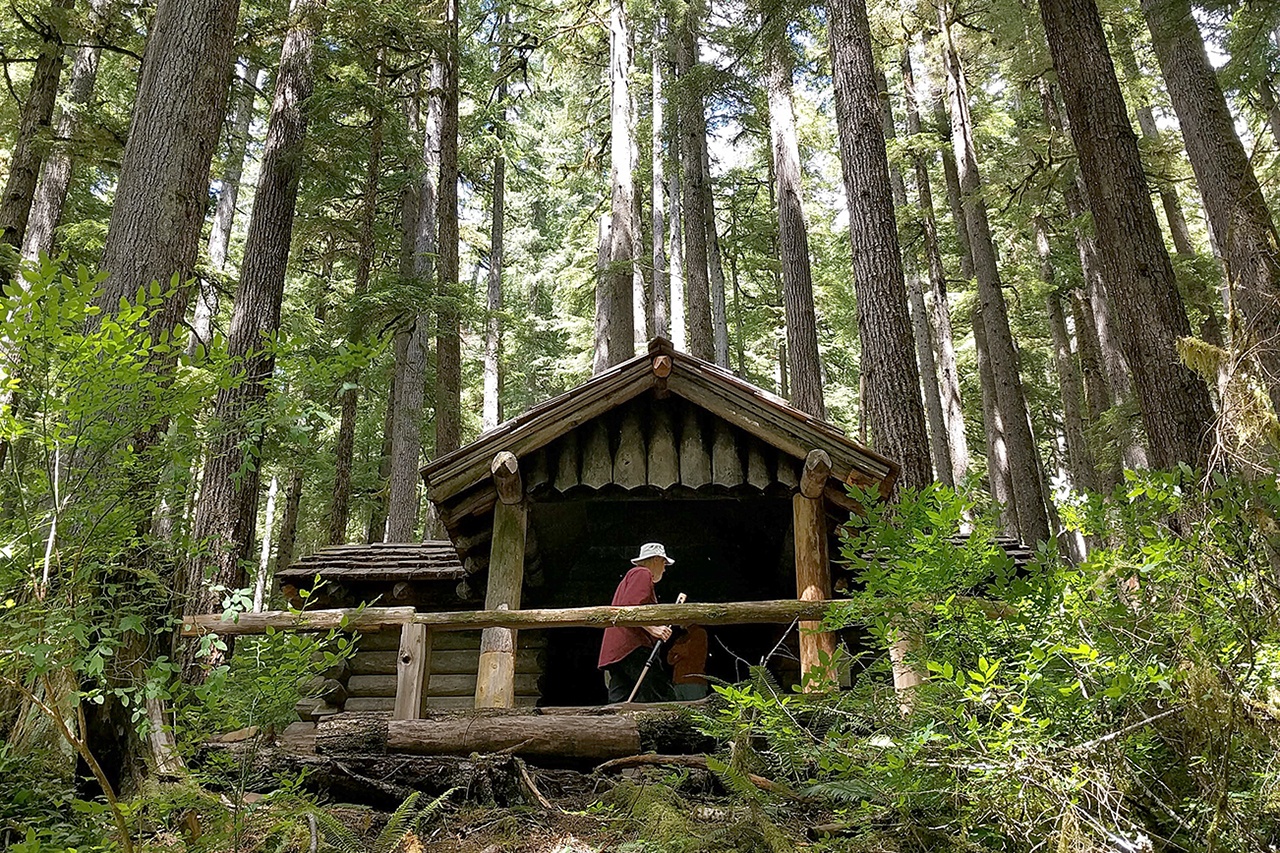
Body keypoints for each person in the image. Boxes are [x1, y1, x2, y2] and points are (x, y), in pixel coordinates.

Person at [598, 542, 678, 703]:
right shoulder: (642, 573)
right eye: (664, 563)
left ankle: (616, 726)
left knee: (620, 697)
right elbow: (630, 606)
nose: (664, 568)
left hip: (617, 650)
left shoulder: (631, 577)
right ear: (656, 559)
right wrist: (653, 629)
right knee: (659, 692)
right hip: (632, 646)